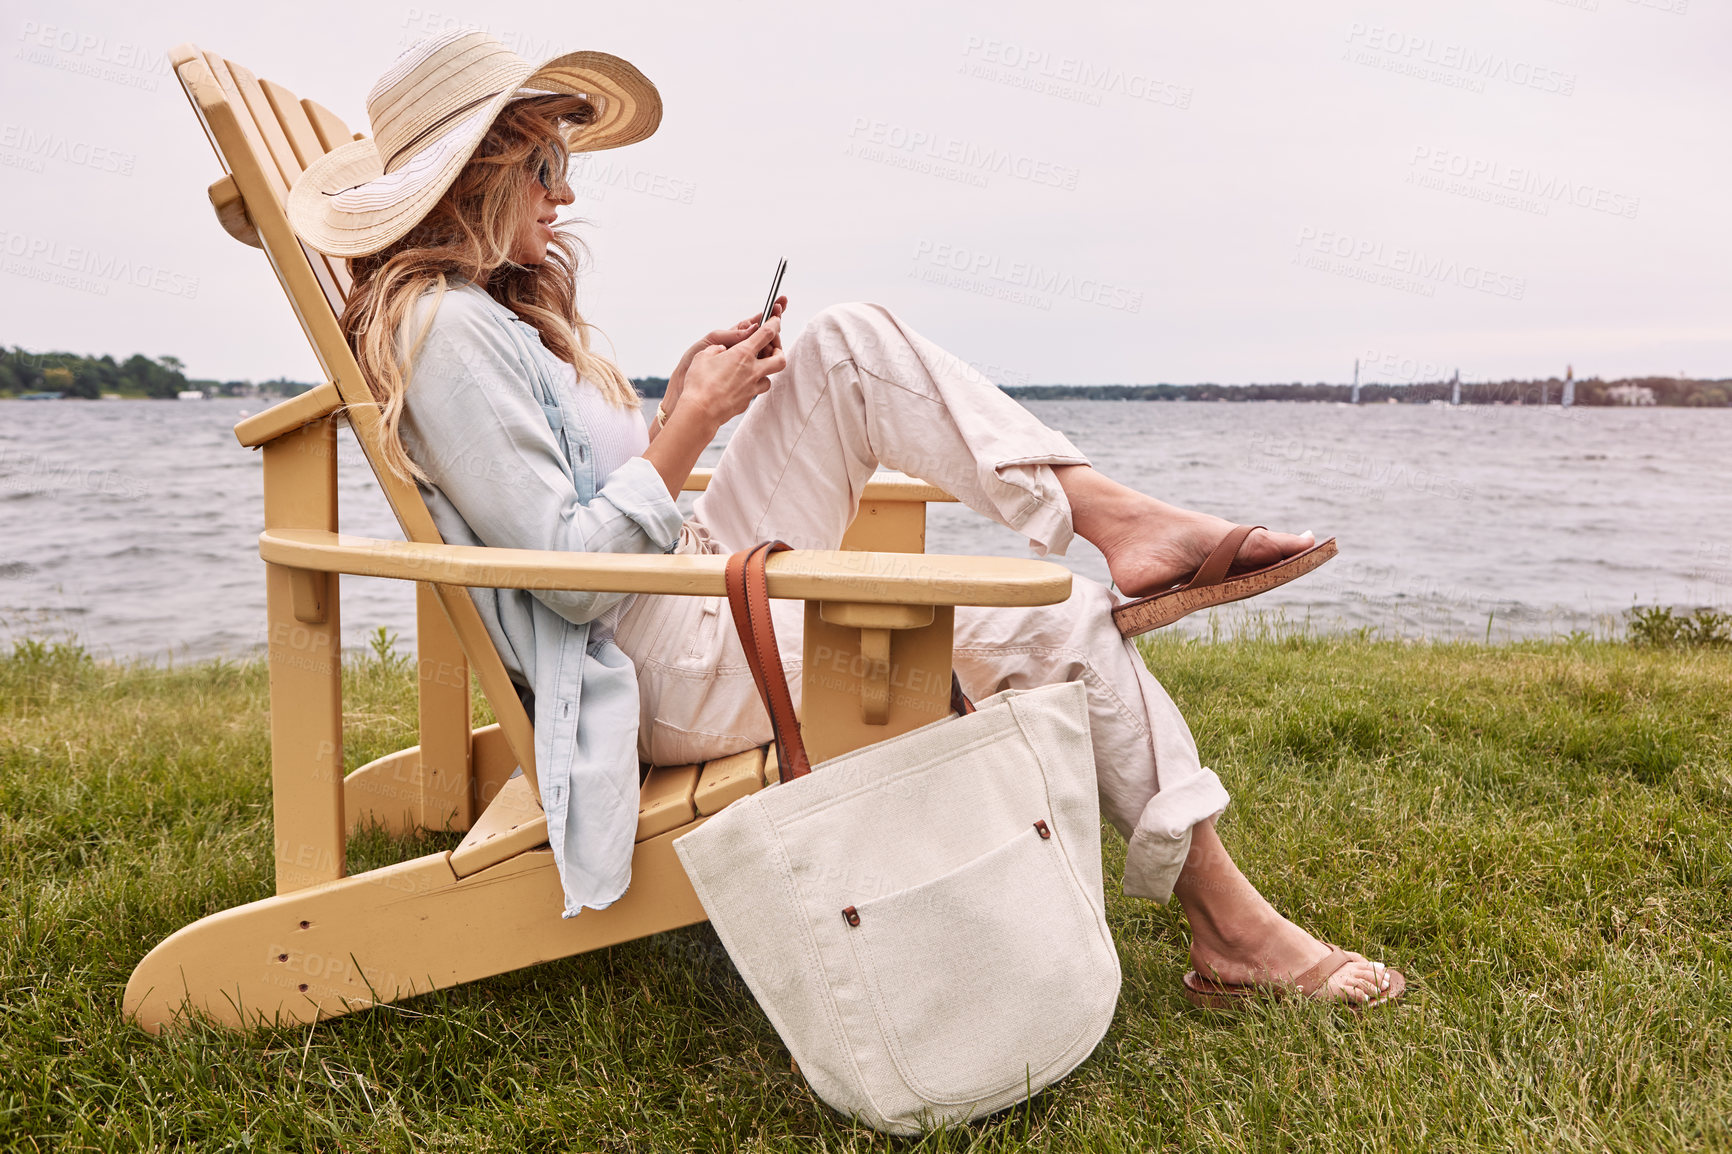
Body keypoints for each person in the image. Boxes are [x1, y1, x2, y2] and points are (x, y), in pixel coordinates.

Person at [287, 30, 1403, 1008]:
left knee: (844, 344)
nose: (564, 194)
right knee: (1052, 618)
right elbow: (573, 578)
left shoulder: (484, 313)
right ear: (472, 172)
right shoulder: (445, 333)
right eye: (544, 163)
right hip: (651, 658)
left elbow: (579, 504)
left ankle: (1107, 509)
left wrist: (675, 402)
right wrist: (689, 426)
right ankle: (1235, 927)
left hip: (678, 589)